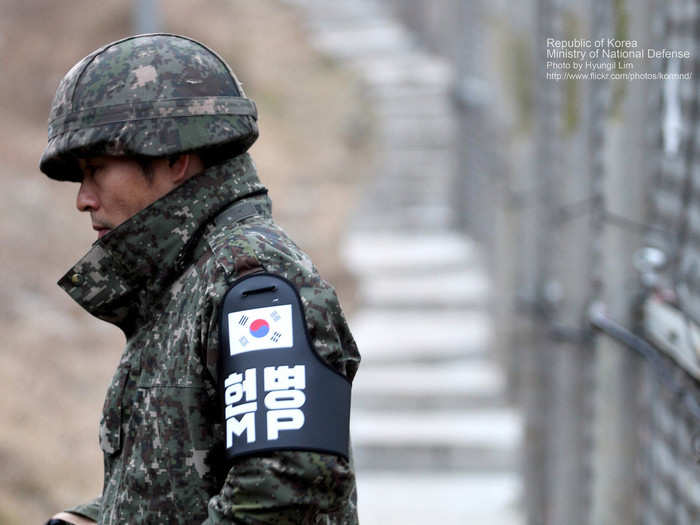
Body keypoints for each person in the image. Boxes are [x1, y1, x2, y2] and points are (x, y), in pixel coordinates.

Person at [40, 33, 360, 525]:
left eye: (97, 169)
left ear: (174, 158)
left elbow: (284, 496)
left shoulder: (255, 282)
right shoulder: (187, 280)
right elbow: (184, 482)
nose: (84, 198)